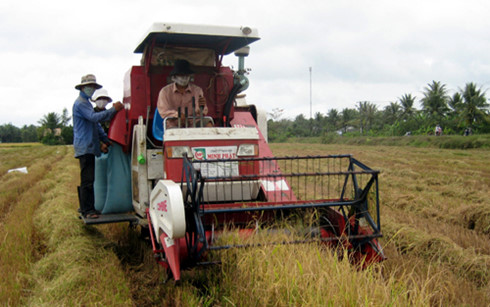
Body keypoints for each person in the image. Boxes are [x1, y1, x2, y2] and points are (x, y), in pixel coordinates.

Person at [73, 74, 123, 219]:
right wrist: (113, 110)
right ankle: (87, 210)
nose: (90, 89)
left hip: (88, 145)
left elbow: (96, 126)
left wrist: (106, 140)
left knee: (89, 179)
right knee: (87, 180)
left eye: (92, 87)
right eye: (88, 87)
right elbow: (94, 118)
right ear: (82, 88)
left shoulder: (86, 103)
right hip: (85, 146)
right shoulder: (81, 103)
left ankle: (87, 208)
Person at [156, 59, 209, 128]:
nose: (184, 77)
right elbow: (163, 111)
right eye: (181, 75)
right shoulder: (165, 91)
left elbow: (201, 111)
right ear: (174, 77)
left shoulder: (197, 90)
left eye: (186, 75)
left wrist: (201, 108)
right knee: (173, 133)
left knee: (208, 123)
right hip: (173, 123)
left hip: (193, 122)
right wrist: (178, 115)